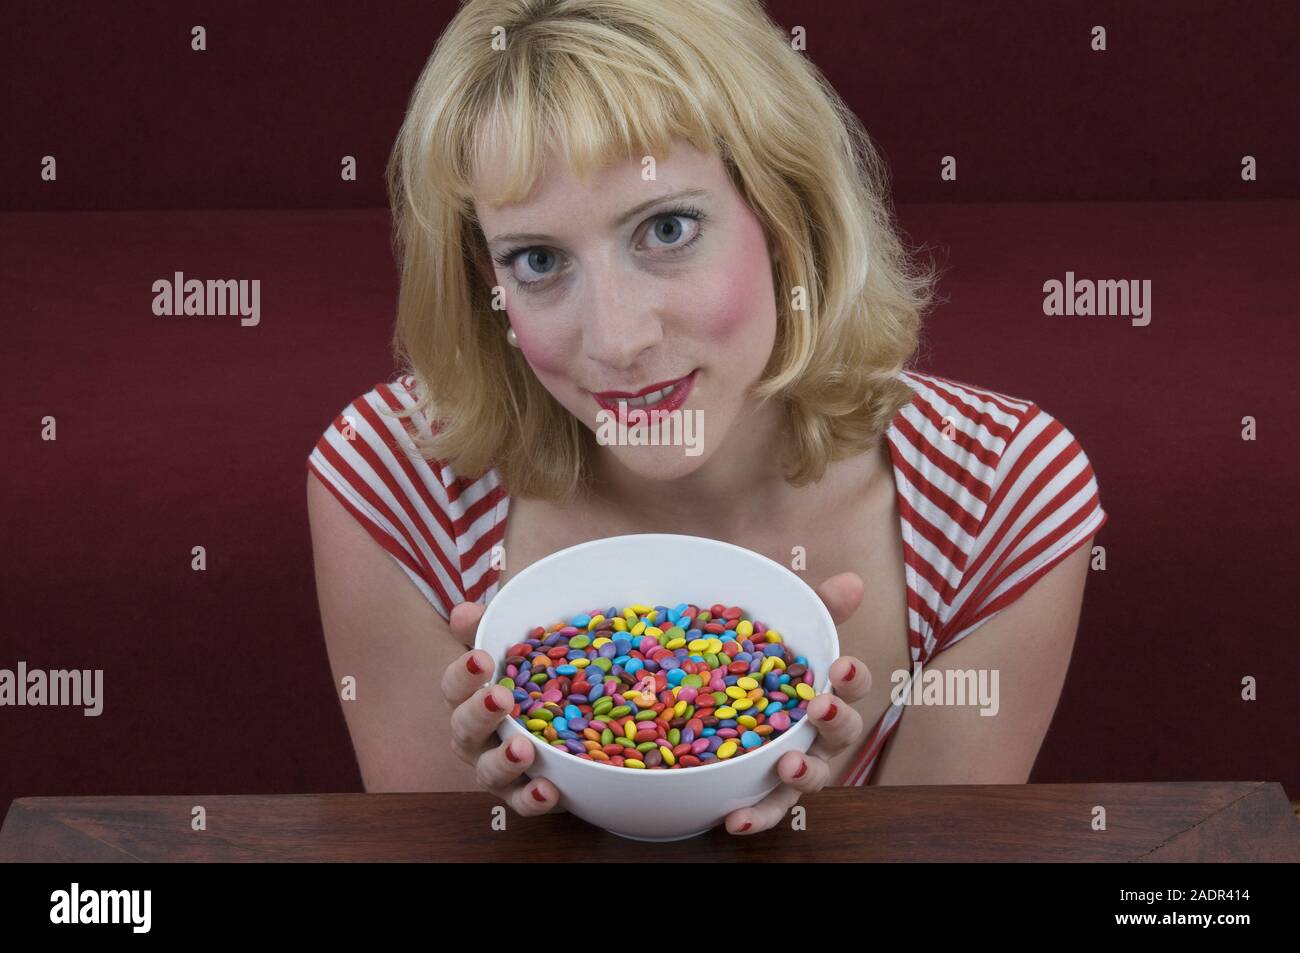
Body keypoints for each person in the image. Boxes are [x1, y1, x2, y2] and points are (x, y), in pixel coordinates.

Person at [306, 0, 1108, 835]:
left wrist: (820, 832)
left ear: (784, 215)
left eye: (667, 228)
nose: (617, 339)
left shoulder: (1003, 493)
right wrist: (506, 822)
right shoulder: (390, 476)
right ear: (489, 281)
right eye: (538, 260)